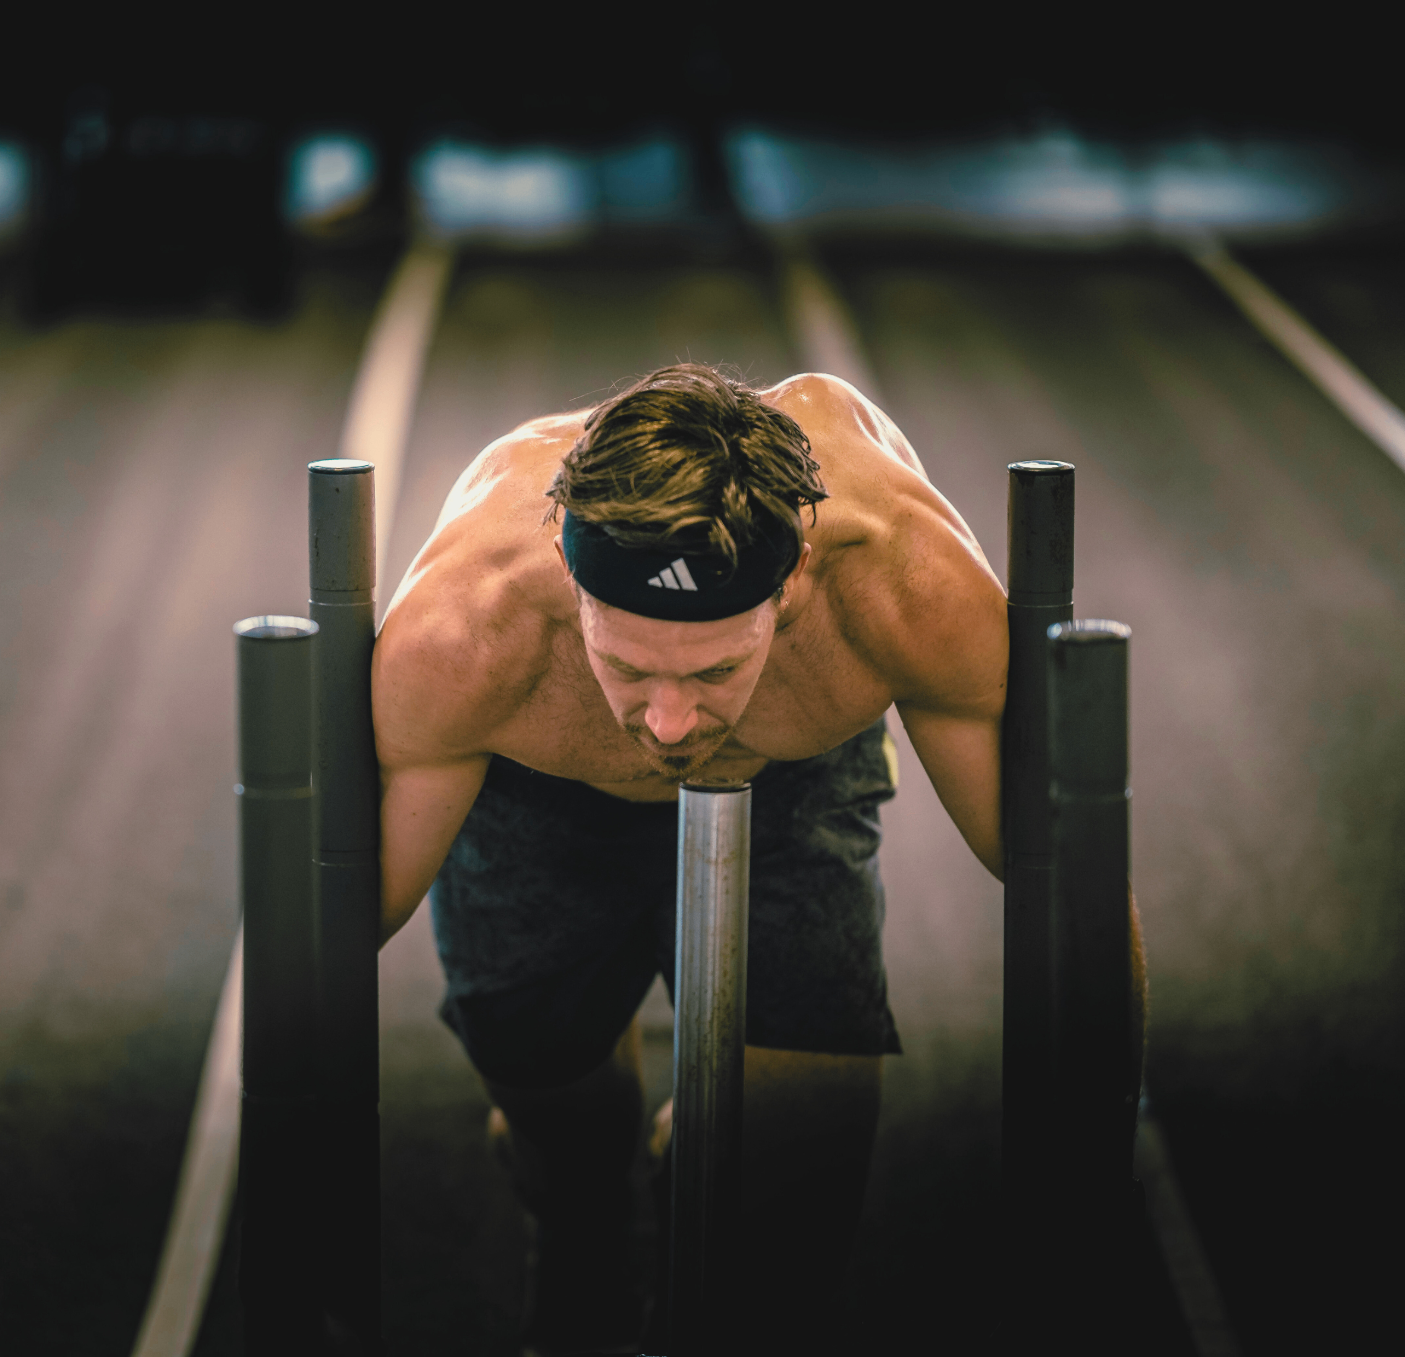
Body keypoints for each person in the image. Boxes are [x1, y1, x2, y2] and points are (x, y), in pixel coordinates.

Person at [373, 362, 1009, 1353]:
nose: (669, 724)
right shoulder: (466, 630)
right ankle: (575, 1209)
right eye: (627, 666)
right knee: (576, 1157)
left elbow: (1071, 887)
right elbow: (335, 934)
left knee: (795, 1195)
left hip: (786, 784)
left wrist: (1102, 1148)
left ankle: (707, 1187)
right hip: (533, 797)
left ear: (792, 583)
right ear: (569, 578)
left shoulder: (902, 579)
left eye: (716, 668)